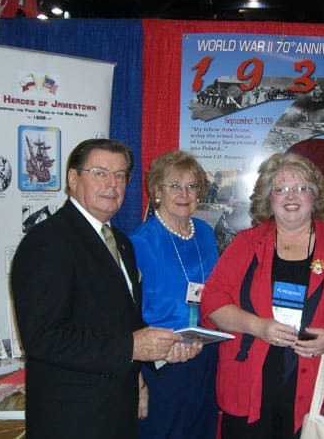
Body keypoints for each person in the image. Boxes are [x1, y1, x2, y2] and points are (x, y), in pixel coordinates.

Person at [11, 138, 200, 439]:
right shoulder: (48, 242)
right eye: (99, 173)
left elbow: (123, 323)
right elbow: (43, 339)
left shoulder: (120, 242)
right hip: (72, 418)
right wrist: (133, 347)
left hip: (117, 410)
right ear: (73, 179)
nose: (112, 184)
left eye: (120, 175)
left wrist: (162, 351)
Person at [200, 152, 324, 439]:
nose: (290, 196)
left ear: (314, 197)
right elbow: (212, 304)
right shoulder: (244, 245)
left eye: (300, 188)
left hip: (319, 389)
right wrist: (258, 326)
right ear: (269, 198)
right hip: (249, 388)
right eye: (280, 189)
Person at [130, 150, 219, 438]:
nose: (184, 193)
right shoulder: (140, 241)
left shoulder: (205, 233)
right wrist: (137, 380)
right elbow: (125, 315)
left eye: (191, 186)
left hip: (204, 353)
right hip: (163, 361)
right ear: (157, 191)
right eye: (175, 186)